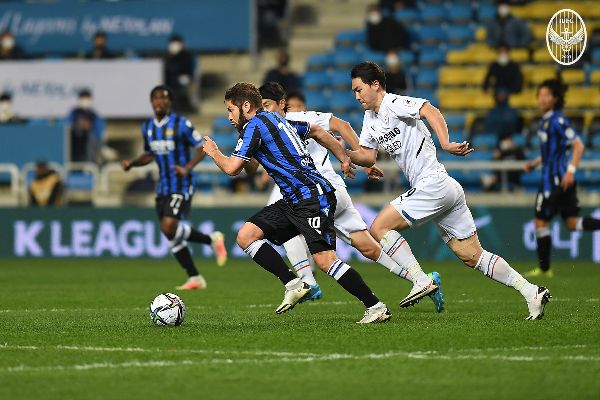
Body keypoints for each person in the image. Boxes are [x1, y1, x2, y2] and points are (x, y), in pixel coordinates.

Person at [347, 61, 550, 320]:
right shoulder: (370, 118)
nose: (356, 96)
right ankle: (531, 291)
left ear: (375, 85)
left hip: (432, 183)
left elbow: (429, 109)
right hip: (443, 188)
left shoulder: (393, 103)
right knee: (471, 255)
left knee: (379, 228)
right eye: (354, 92)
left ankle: (421, 280)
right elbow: (367, 156)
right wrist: (342, 151)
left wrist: (445, 142)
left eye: (359, 89)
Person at [202, 82, 392, 323]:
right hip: (294, 199)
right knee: (246, 235)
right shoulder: (277, 120)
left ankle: (376, 307)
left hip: (312, 198)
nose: (229, 116)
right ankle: (294, 284)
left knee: (325, 261)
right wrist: (343, 157)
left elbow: (231, 168)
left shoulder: (255, 125)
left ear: (246, 106)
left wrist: (214, 152)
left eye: (231, 109)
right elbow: (317, 132)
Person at [259, 81, 444, 312]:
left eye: (266, 105)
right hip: (332, 193)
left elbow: (341, 124)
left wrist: (364, 159)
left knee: (288, 222)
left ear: (281, 104)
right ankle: (422, 279)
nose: (263, 111)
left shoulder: (299, 119)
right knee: (368, 247)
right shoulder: (267, 129)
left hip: (318, 193)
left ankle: (307, 281)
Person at [121, 85, 228, 290]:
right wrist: (132, 163)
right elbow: (149, 154)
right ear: (151, 102)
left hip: (181, 183)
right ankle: (196, 274)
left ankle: (209, 245)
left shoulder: (181, 124)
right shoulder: (147, 127)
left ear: (169, 102)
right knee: (170, 234)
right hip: (163, 186)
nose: (159, 101)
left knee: (169, 226)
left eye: (163, 98)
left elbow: (202, 146)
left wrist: (187, 167)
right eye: (156, 98)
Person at [523, 79, 600, 278]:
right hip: (560, 180)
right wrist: (535, 162)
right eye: (540, 95)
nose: (542, 99)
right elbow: (552, 152)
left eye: (547, 95)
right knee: (572, 223)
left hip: (555, 181)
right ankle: (545, 269)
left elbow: (578, 145)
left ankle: (545, 269)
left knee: (540, 221)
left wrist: (570, 171)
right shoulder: (545, 121)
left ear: (555, 98)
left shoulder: (558, 121)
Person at [67, 89, 106, 163]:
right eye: (82, 98)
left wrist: (89, 126)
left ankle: (90, 164)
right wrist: (77, 125)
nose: (84, 101)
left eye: (86, 99)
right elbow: (66, 125)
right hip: (75, 143)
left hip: (89, 144)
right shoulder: (74, 112)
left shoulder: (94, 114)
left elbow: (99, 132)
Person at [164, 35, 195, 113]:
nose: (175, 46)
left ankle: (181, 106)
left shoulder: (186, 55)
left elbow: (187, 69)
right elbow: (165, 69)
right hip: (169, 80)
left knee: (180, 84)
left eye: (177, 44)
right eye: (173, 44)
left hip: (182, 78)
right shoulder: (166, 56)